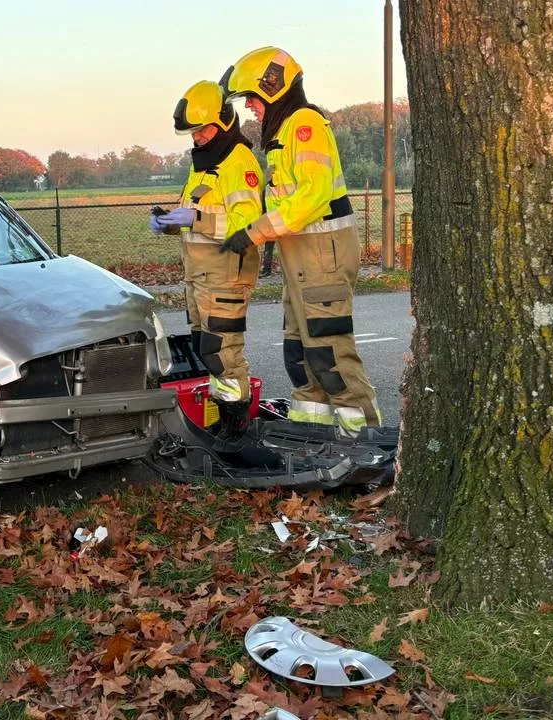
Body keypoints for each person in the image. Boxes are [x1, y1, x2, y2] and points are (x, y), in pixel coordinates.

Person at [220, 47, 381, 434]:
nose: (252, 110)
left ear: (272, 88)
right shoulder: (286, 131)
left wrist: (255, 232)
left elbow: (311, 196)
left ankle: (367, 438)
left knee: (328, 351)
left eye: (253, 100)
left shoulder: (304, 124)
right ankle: (314, 434)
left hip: (321, 256)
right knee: (300, 352)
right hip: (302, 259)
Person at [149, 80, 264, 443]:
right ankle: (223, 421)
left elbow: (249, 222)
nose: (197, 137)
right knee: (207, 349)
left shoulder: (238, 161)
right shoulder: (203, 164)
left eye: (203, 130)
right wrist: (169, 222)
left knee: (223, 352)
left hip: (226, 275)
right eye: (192, 132)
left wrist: (194, 219)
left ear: (224, 122)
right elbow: (196, 215)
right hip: (198, 276)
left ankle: (236, 428)